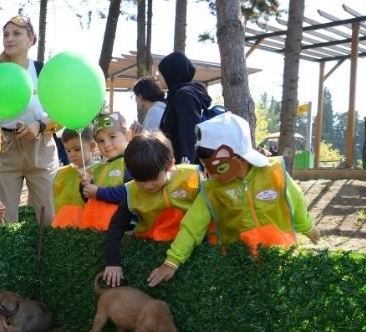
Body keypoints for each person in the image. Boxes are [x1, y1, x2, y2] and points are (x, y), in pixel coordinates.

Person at [147, 113, 321, 287]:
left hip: (280, 258)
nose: (212, 174)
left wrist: (307, 227)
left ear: (238, 156)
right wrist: (172, 261)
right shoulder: (212, 189)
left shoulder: (274, 173)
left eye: (218, 167)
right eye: (206, 167)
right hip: (238, 265)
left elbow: (294, 200)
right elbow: (192, 225)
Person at [0, 15, 58, 225]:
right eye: (6, 35)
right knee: (3, 218)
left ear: (31, 39)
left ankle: (46, 258)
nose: (9, 39)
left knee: (49, 216)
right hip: (4, 150)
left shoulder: (44, 72)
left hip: (42, 148)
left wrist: (38, 126)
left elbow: (60, 115)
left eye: (16, 33)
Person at [101, 132, 202, 287]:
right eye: (140, 181)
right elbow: (116, 226)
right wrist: (113, 262)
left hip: (192, 245)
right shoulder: (132, 191)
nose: (147, 186)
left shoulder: (192, 177)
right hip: (151, 245)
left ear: (170, 165)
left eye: (154, 179)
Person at [158, 52, 211, 164]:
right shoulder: (176, 95)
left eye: (161, 73)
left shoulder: (184, 95)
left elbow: (190, 134)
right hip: (176, 163)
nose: (158, 76)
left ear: (170, 73)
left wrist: (187, 165)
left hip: (184, 166)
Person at [81, 112, 131, 231]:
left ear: (127, 135)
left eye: (112, 137)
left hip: (121, 230)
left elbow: (130, 193)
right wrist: (85, 185)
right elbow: (86, 199)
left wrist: (99, 192)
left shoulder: (131, 163)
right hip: (95, 227)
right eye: (101, 141)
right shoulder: (97, 168)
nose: (107, 144)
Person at [52, 128, 97, 228]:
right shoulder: (62, 174)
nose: (71, 154)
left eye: (77, 149)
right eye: (68, 150)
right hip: (65, 228)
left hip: (91, 227)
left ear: (91, 146)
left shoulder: (100, 171)